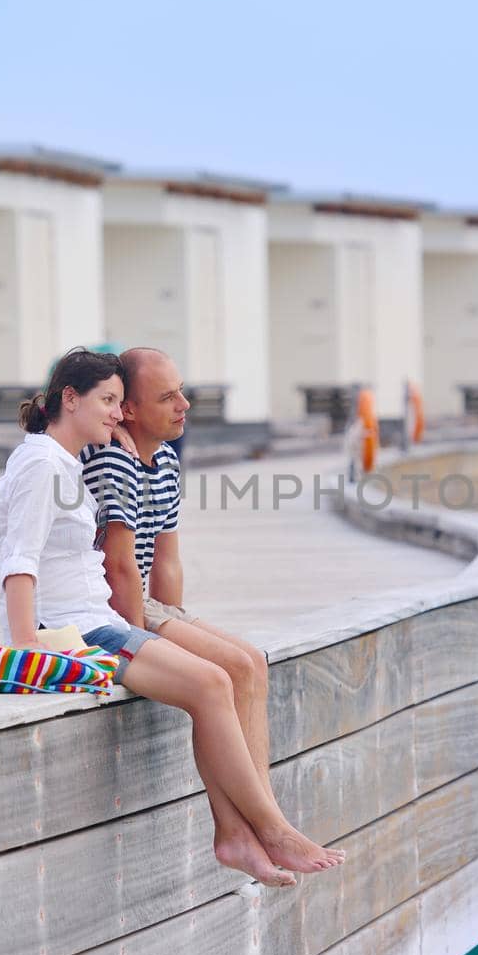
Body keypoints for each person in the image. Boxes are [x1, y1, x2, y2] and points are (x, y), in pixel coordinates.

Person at [0, 347, 344, 885]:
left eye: (118, 401)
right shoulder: (42, 465)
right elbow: (20, 558)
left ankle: (239, 833)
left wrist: (121, 441)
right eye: (107, 401)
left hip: (93, 616)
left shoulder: (62, 460)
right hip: (76, 627)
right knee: (210, 683)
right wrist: (24, 648)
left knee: (220, 679)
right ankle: (269, 831)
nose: (115, 411)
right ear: (69, 398)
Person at [81, 348, 283, 828]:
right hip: (110, 603)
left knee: (251, 660)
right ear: (128, 410)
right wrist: (141, 645)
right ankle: (252, 826)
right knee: (231, 665)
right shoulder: (113, 458)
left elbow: (166, 560)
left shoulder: (165, 459)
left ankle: (260, 810)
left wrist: (176, 618)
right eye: (168, 396)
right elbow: (118, 564)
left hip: (147, 600)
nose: (184, 405)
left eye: (182, 391)